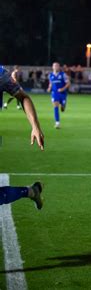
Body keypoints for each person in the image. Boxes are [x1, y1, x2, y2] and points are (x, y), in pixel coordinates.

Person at [0, 65, 45, 208]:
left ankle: (30, 191)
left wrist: (35, 126)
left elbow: (23, 97)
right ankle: (31, 191)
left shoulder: (1, 74)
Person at [47, 62, 70, 129]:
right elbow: (50, 83)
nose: (56, 67)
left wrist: (62, 89)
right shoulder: (50, 75)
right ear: (52, 67)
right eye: (54, 66)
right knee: (55, 106)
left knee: (62, 107)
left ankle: (63, 105)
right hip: (54, 93)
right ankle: (57, 123)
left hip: (63, 93)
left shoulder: (63, 75)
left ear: (59, 67)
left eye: (57, 66)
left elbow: (68, 83)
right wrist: (49, 88)